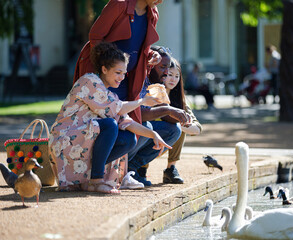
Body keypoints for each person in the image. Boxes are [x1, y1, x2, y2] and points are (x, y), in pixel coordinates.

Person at [49, 42, 171, 194]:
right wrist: (143, 101)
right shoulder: (89, 81)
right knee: (109, 125)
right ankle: (96, 181)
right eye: (118, 72)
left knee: (129, 139)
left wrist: (154, 135)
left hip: (81, 142)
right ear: (104, 69)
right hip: (66, 140)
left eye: (124, 73)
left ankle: (87, 179)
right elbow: (118, 108)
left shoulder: (108, 95)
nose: (121, 78)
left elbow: (127, 121)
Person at [73, 0, 163, 125]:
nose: (161, 1)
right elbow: (95, 36)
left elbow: (140, 46)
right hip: (103, 76)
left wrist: (152, 55)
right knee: (102, 124)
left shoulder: (153, 13)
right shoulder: (119, 4)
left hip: (127, 78)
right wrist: (106, 70)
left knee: (129, 128)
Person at [127, 46, 192, 186]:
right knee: (146, 126)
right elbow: (139, 115)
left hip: (141, 131)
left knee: (175, 130)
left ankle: (132, 167)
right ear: (151, 65)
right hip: (126, 128)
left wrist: (181, 117)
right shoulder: (141, 80)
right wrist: (169, 110)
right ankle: (128, 168)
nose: (167, 73)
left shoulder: (158, 84)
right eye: (163, 67)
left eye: (169, 68)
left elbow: (161, 112)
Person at [161, 57, 202, 184]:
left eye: (177, 76)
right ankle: (141, 169)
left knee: (178, 126)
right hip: (148, 140)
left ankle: (170, 169)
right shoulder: (152, 94)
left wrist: (178, 126)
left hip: (167, 139)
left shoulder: (180, 100)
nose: (173, 79)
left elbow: (197, 129)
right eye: (169, 75)